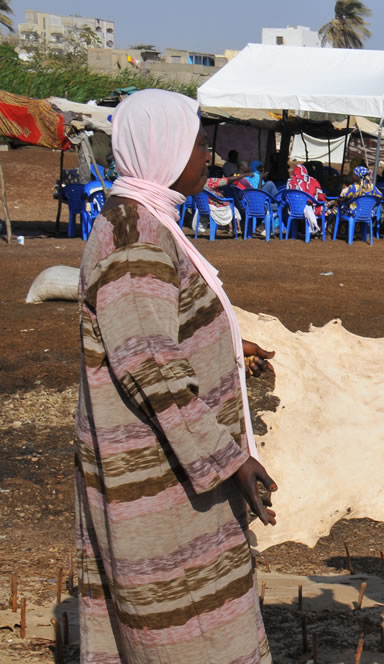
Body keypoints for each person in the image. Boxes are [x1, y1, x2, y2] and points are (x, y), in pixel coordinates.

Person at [75, 89, 278, 662]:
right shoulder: (134, 239)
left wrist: (232, 346)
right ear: (163, 149)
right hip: (160, 479)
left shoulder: (143, 220)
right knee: (186, 627)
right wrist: (227, 456)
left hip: (171, 469)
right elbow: (147, 362)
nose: (206, 153)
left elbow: (155, 327)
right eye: (196, 141)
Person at [287, 161, 327, 235]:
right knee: (327, 209)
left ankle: (295, 232)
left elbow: (286, 197)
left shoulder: (290, 182)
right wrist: (324, 200)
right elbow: (320, 197)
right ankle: (319, 230)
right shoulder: (313, 181)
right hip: (310, 209)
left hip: (293, 210)